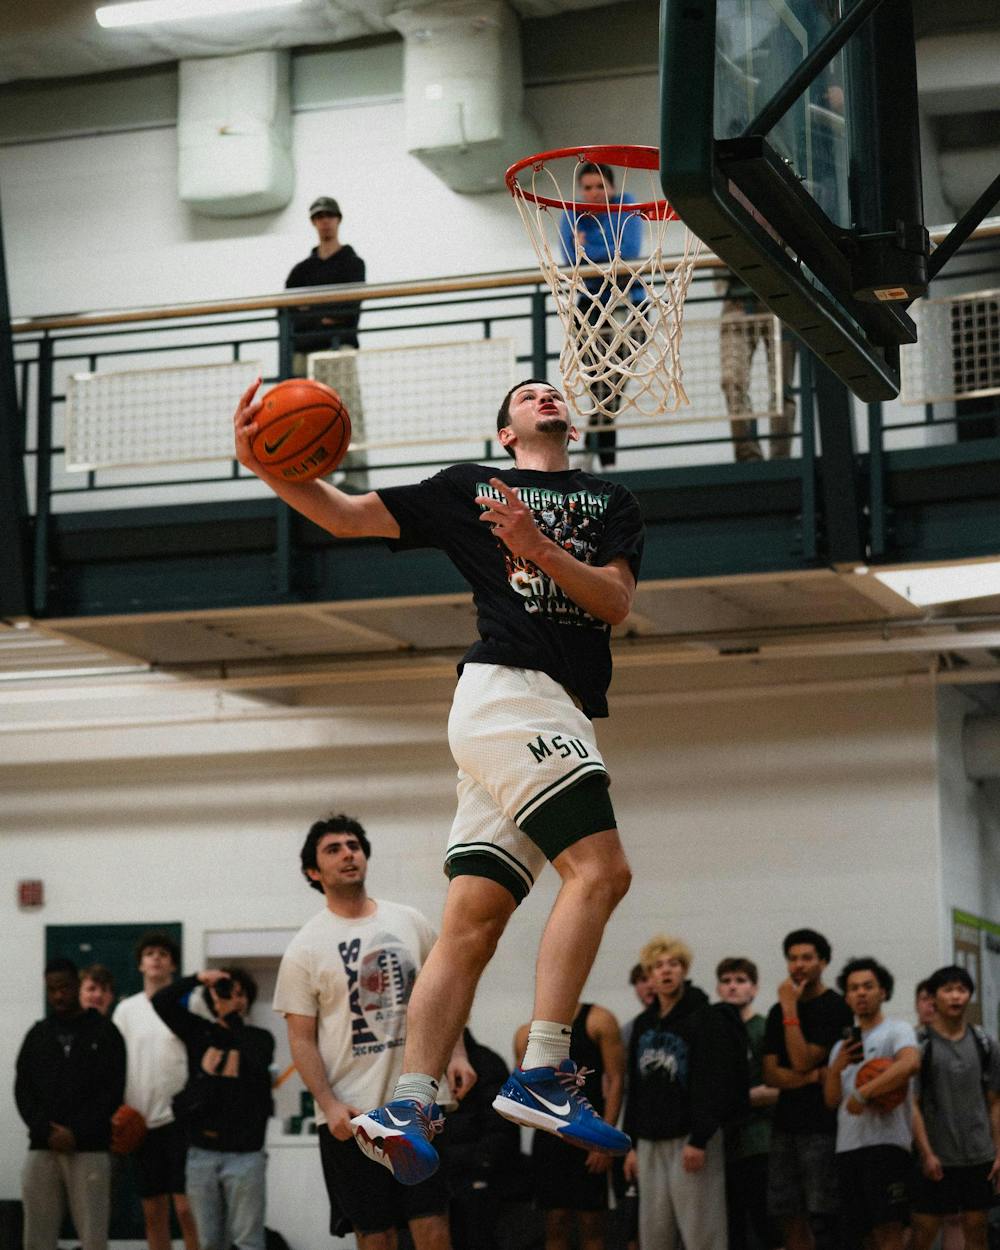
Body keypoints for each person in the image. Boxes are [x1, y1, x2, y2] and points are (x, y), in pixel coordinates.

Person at [234, 375, 641, 1187]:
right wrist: (265, 464)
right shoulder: (472, 488)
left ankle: (407, 1103)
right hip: (512, 695)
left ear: (571, 423)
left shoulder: (610, 501)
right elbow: (345, 515)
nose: (546, 396)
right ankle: (544, 1070)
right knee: (601, 872)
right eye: (526, 395)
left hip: (546, 709)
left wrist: (539, 547)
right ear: (505, 432)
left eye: (553, 391)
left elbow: (615, 602)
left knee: (470, 928)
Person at [272, 813, 472, 1248]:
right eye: (334, 849)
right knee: (375, 1237)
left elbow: (443, 994)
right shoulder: (304, 948)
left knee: (433, 1229)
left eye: (354, 846)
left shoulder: (410, 921)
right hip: (354, 1115)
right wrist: (327, 1103)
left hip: (420, 1105)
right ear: (313, 872)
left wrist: (458, 1053)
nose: (349, 854)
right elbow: (300, 1039)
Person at [152, 966, 274, 1250]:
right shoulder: (199, 1032)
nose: (235, 999)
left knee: (248, 1242)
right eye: (227, 992)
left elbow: (257, 1060)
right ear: (212, 998)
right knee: (208, 1242)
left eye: (241, 994)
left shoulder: (260, 1038)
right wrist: (198, 979)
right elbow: (161, 1002)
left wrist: (229, 1016)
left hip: (246, 1153)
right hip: (202, 1151)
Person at [622, 936, 731, 1250]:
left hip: (690, 1138)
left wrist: (700, 1138)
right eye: (658, 966)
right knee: (654, 1232)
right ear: (649, 975)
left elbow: (713, 1081)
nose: (666, 971)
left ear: (684, 970)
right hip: (648, 1139)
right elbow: (636, 1087)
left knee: (701, 1231)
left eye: (673, 964)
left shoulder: (705, 1017)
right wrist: (631, 1143)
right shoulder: (643, 1024)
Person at [15, 958, 126, 1250]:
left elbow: (112, 1091)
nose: (58, 995)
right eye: (52, 990)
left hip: (89, 1147)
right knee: (37, 1238)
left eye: (64, 987)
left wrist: (77, 1132)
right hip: (43, 1145)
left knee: (93, 1238)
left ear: (77, 985)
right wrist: (44, 1129)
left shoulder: (105, 1032)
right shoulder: (38, 1034)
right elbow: (23, 1089)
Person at [762, 928, 852, 1250]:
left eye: (806, 958)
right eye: (792, 958)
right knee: (787, 1212)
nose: (798, 965)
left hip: (822, 1125)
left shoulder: (836, 1007)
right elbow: (770, 1074)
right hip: (785, 1125)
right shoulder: (775, 1011)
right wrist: (811, 1077)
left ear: (823, 962)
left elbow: (800, 1059)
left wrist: (790, 1010)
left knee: (823, 1213)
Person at [823, 957, 919, 1250]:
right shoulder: (841, 1046)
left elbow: (910, 1064)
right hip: (848, 1147)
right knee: (863, 1237)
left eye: (868, 986)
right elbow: (831, 1101)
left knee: (890, 1231)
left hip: (887, 1145)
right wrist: (835, 1069)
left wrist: (863, 1093)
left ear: (883, 992)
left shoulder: (897, 1030)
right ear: (847, 997)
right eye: (853, 988)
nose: (861, 993)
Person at [513, 1002, 625, 1250]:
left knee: (591, 1222)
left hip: (590, 1135)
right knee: (555, 1222)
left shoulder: (598, 1021)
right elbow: (522, 1089)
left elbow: (616, 1079)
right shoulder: (526, 1034)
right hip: (550, 1140)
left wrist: (605, 1139)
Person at [112, 932, 198, 1250]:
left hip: (181, 1120)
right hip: (140, 1121)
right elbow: (115, 1062)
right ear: (140, 964)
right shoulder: (126, 1010)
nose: (156, 958)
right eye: (150, 953)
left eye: (163, 953)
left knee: (187, 1210)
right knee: (153, 1212)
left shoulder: (190, 1004)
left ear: (173, 965)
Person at [558, 162, 646, 469]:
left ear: (612, 188)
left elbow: (628, 250)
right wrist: (607, 248)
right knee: (600, 386)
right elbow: (570, 258)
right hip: (590, 307)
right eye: (587, 187)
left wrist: (588, 248)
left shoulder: (627, 206)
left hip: (630, 305)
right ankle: (605, 462)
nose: (594, 193)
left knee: (611, 388)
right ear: (580, 190)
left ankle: (594, 456)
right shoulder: (572, 213)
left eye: (600, 186)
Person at [910, 965, 1000, 1250]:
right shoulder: (920, 1044)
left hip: (978, 1155)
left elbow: (994, 1102)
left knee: (977, 1231)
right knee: (924, 1232)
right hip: (937, 1155)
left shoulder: (985, 1043)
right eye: (947, 990)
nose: (955, 996)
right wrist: (926, 1153)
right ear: (934, 997)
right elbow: (912, 1104)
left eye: (961, 990)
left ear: (969, 995)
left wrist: (998, 1151)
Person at [716, 957, 780, 1250]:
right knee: (732, 1229)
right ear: (718, 988)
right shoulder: (712, 1032)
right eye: (726, 981)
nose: (733, 987)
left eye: (740, 981)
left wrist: (737, 1098)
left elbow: (780, 1088)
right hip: (722, 1145)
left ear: (754, 988)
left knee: (767, 1223)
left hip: (759, 1141)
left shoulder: (764, 1028)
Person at [438, 1028, 522, 1250]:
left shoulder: (486, 1063)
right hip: (440, 1175)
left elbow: (501, 1126)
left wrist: (481, 1165)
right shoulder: (425, 1067)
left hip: (477, 1176)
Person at [719, 272, 797, 462]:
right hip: (736, 300)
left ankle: (780, 458)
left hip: (779, 295)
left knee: (782, 387)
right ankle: (749, 456)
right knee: (731, 381)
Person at [285, 196, 365, 371]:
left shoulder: (353, 264)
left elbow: (349, 308)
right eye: (320, 217)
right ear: (313, 222)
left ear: (338, 219)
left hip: (339, 347)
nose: (325, 221)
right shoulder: (301, 271)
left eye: (330, 215)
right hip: (303, 352)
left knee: (340, 391)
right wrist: (324, 316)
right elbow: (287, 311)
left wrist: (309, 311)